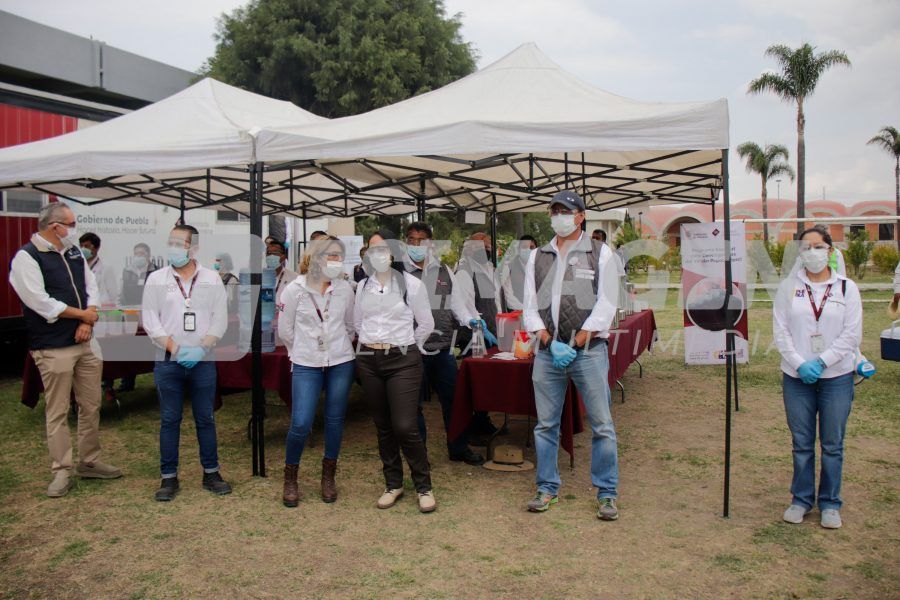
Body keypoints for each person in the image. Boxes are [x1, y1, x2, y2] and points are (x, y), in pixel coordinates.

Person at [9, 203, 122, 497]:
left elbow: (90, 287)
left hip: (85, 341)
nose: (74, 229)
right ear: (54, 227)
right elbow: (40, 301)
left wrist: (88, 318)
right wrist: (82, 315)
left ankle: (90, 461)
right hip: (53, 345)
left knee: (91, 404)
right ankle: (61, 470)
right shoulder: (26, 257)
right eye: (70, 224)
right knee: (58, 410)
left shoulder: (73, 252)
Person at [522, 190, 620, 520]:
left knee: (602, 425)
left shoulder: (600, 253)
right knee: (545, 425)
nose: (558, 217)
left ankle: (607, 493)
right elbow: (529, 307)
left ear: (580, 216)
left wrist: (575, 343)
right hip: (548, 353)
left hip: (588, 352)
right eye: (554, 211)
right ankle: (546, 487)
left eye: (564, 211)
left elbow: (606, 305)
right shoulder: (538, 256)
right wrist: (549, 342)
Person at [773, 225, 862, 529]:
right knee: (802, 443)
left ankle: (830, 503)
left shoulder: (847, 288)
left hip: (836, 376)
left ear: (830, 250)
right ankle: (801, 499)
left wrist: (822, 362)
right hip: (797, 377)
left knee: (833, 443)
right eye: (806, 247)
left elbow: (852, 335)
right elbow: (781, 332)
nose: (812, 252)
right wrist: (800, 364)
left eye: (818, 246)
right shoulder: (788, 288)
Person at [141, 224, 231, 501]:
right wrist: (176, 349)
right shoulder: (156, 278)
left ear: (194, 248)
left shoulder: (211, 279)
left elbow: (220, 318)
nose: (173, 247)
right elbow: (150, 320)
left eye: (179, 243)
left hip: (203, 361)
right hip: (169, 361)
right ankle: (168, 477)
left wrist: (202, 348)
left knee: (205, 417)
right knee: (170, 419)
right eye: (171, 242)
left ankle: (211, 472)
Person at [355, 230, 436, 513]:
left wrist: (408, 345)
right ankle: (393, 484)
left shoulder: (412, 285)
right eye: (372, 249)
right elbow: (357, 323)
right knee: (383, 425)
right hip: (369, 360)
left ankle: (424, 486)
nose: (376, 254)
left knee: (405, 425)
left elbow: (426, 324)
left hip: (403, 360)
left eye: (382, 249)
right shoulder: (362, 286)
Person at [278, 237, 356, 506]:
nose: (335, 260)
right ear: (315, 257)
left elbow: (350, 326)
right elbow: (285, 330)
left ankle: (328, 477)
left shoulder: (345, 289)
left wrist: (336, 346)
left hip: (340, 361)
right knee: (301, 422)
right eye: (330, 255)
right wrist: (303, 350)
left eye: (339, 256)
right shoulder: (294, 289)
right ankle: (291, 478)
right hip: (306, 363)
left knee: (334, 420)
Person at [404, 222, 484, 466]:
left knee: (454, 400)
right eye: (411, 240)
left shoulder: (444, 271)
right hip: (412, 349)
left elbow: (457, 304)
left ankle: (458, 447)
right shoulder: (400, 273)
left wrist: (471, 320)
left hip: (443, 347)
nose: (416, 245)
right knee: (414, 406)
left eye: (421, 240)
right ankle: (420, 456)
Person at [455, 232, 501, 437]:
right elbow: (464, 305)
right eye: (481, 247)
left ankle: (483, 419)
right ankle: (473, 424)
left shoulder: (489, 268)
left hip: (492, 332)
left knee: (488, 381)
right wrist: (479, 327)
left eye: (488, 246)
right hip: (474, 334)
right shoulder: (464, 271)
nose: (487, 249)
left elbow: (496, 301)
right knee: (476, 383)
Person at [266, 240, 298, 346]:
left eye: (275, 253)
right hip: (265, 328)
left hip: (287, 327)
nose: (271, 256)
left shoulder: (294, 278)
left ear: (283, 257)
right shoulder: (259, 277)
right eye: (269, 253)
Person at [499, 234, 537, 311]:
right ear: (519, 250)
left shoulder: (540, 266)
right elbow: (506, 293)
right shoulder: (509, 267)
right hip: (516, 310)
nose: (529, 250)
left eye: (531, 247)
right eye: (525, 247)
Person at [78, 232, 118, 307]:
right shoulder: (77, 265)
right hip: (82, 307)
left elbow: (113, 294)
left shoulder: (106, 267)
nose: (83, 249)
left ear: (97, 248)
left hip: (101, 308)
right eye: (81, 246)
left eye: (86, 246)